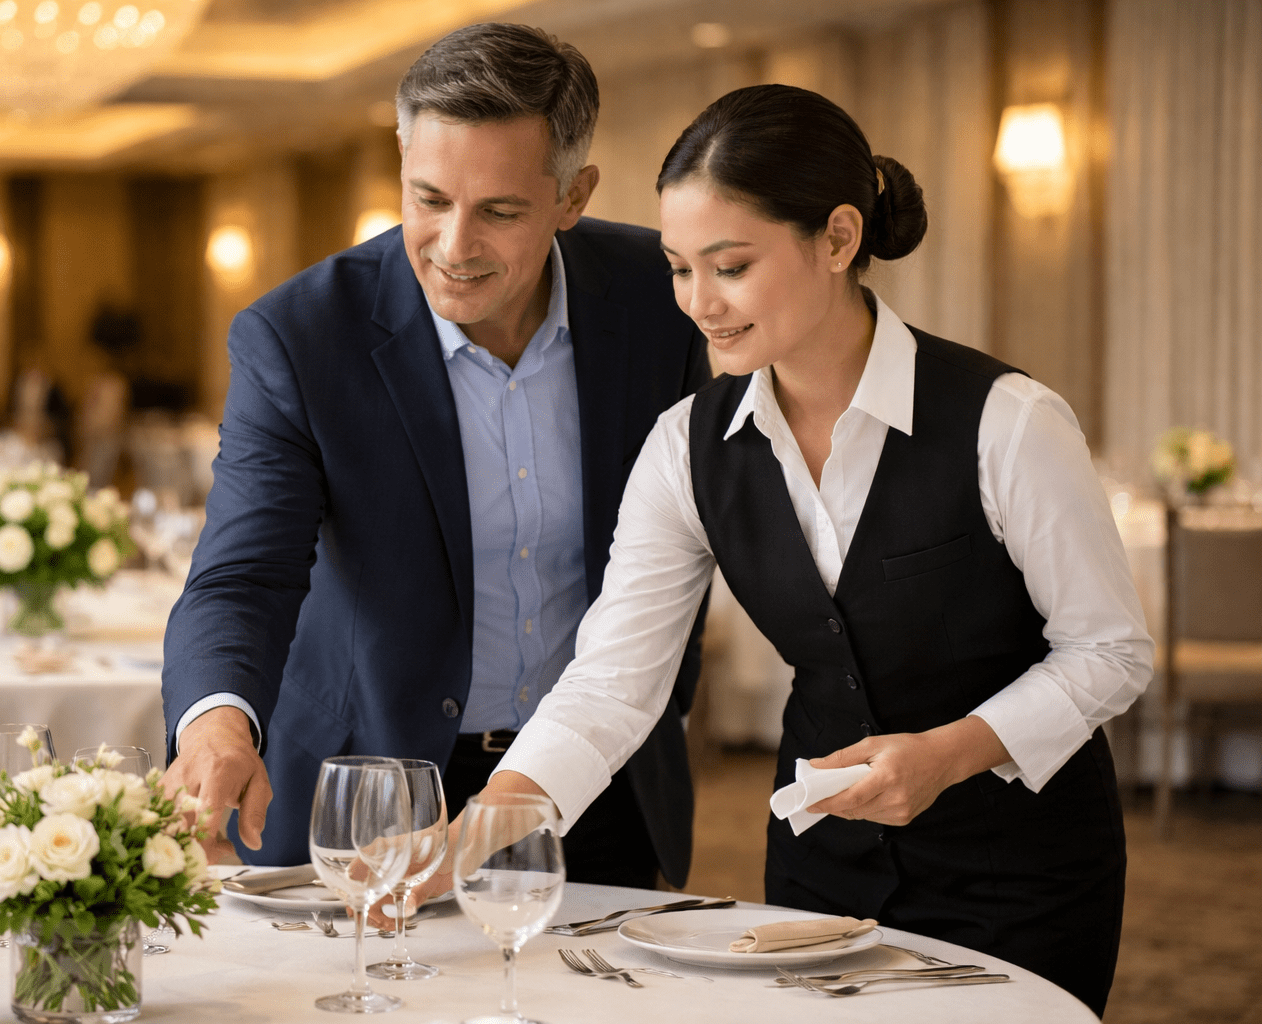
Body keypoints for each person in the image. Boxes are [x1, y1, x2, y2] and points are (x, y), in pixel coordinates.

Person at [455, 85, 1151, 1016]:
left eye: (731, 266)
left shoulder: (1006, 421)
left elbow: (1111, 650)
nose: (699, 304)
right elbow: (615, 680)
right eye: (677, 268)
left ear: (836, 238)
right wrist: (483, 824)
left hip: (1017, 875)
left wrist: (947, 754)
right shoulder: (684, 446)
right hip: (822, 872)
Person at [159, 23, 710, 889]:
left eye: (499, 210)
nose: (453, 247)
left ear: (574, 195)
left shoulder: (661, 297)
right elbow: (243, 575)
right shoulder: (303, 335)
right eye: (428, 199)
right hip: (371, 787)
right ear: (403, 162)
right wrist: (217, 725)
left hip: (599, 783)